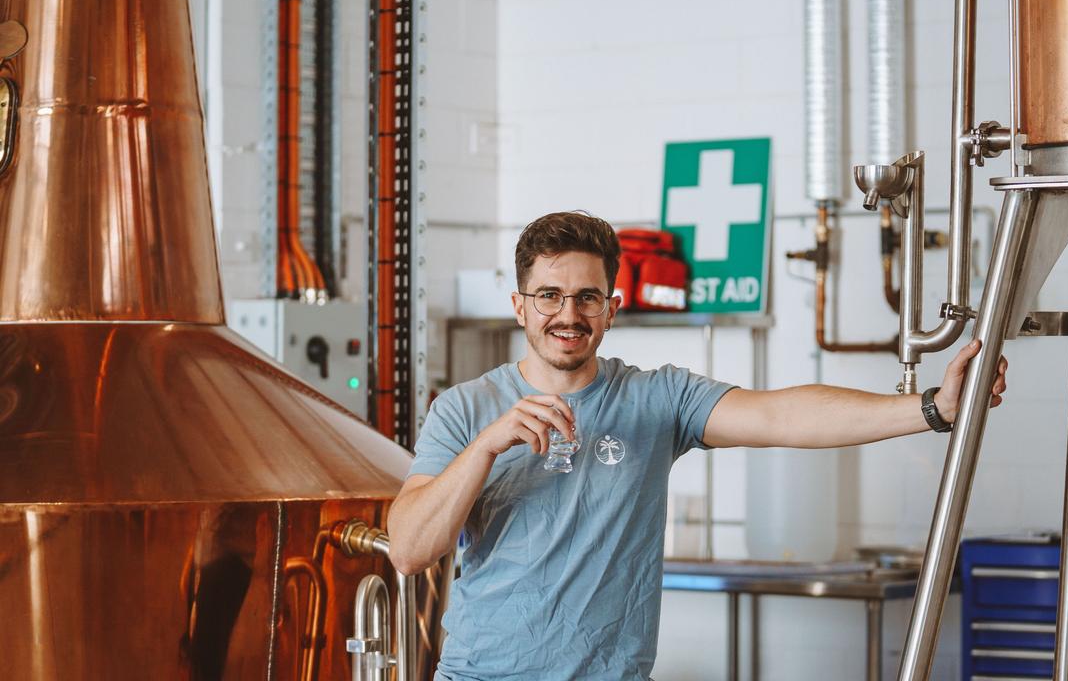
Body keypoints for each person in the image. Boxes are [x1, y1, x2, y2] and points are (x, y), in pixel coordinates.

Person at [388, 211, 1008, 681]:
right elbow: (411, 551)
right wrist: (486, 448)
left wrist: (932, 408)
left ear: (613, 309)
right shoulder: (466, 409)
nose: (567, 313)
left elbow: (784, 415)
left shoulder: (657, 401)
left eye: (587, 297)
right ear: (520, 306)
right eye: (549, 295)